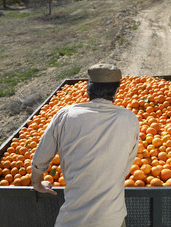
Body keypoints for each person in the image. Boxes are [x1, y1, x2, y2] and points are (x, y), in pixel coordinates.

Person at [31, 63, 140, 227]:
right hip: (111, 219)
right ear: (116, 91)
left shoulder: (66, 115)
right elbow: (125, 165)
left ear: (88, 88)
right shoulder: (129, 119)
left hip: (73, 220)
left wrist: (37, 183)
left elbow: (41, 158)